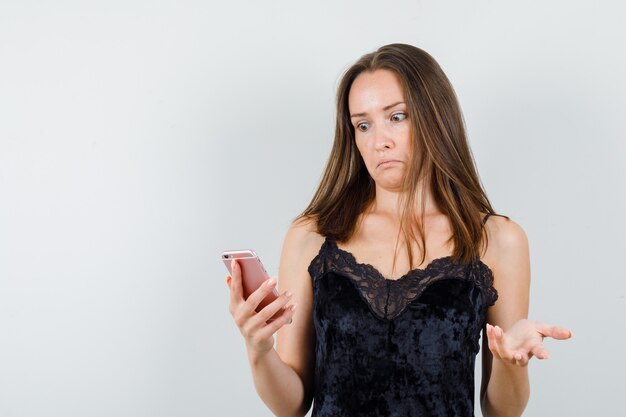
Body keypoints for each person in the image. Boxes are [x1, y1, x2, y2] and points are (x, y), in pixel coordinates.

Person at [225, 43, 572, 417]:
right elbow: (291, 404)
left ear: (435, 117)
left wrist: (511, 362)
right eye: (363, 124)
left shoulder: (498, 239)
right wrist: (258, 350)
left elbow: (502, 411)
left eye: (398, 116)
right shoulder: (311, 236)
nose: (380, 141)